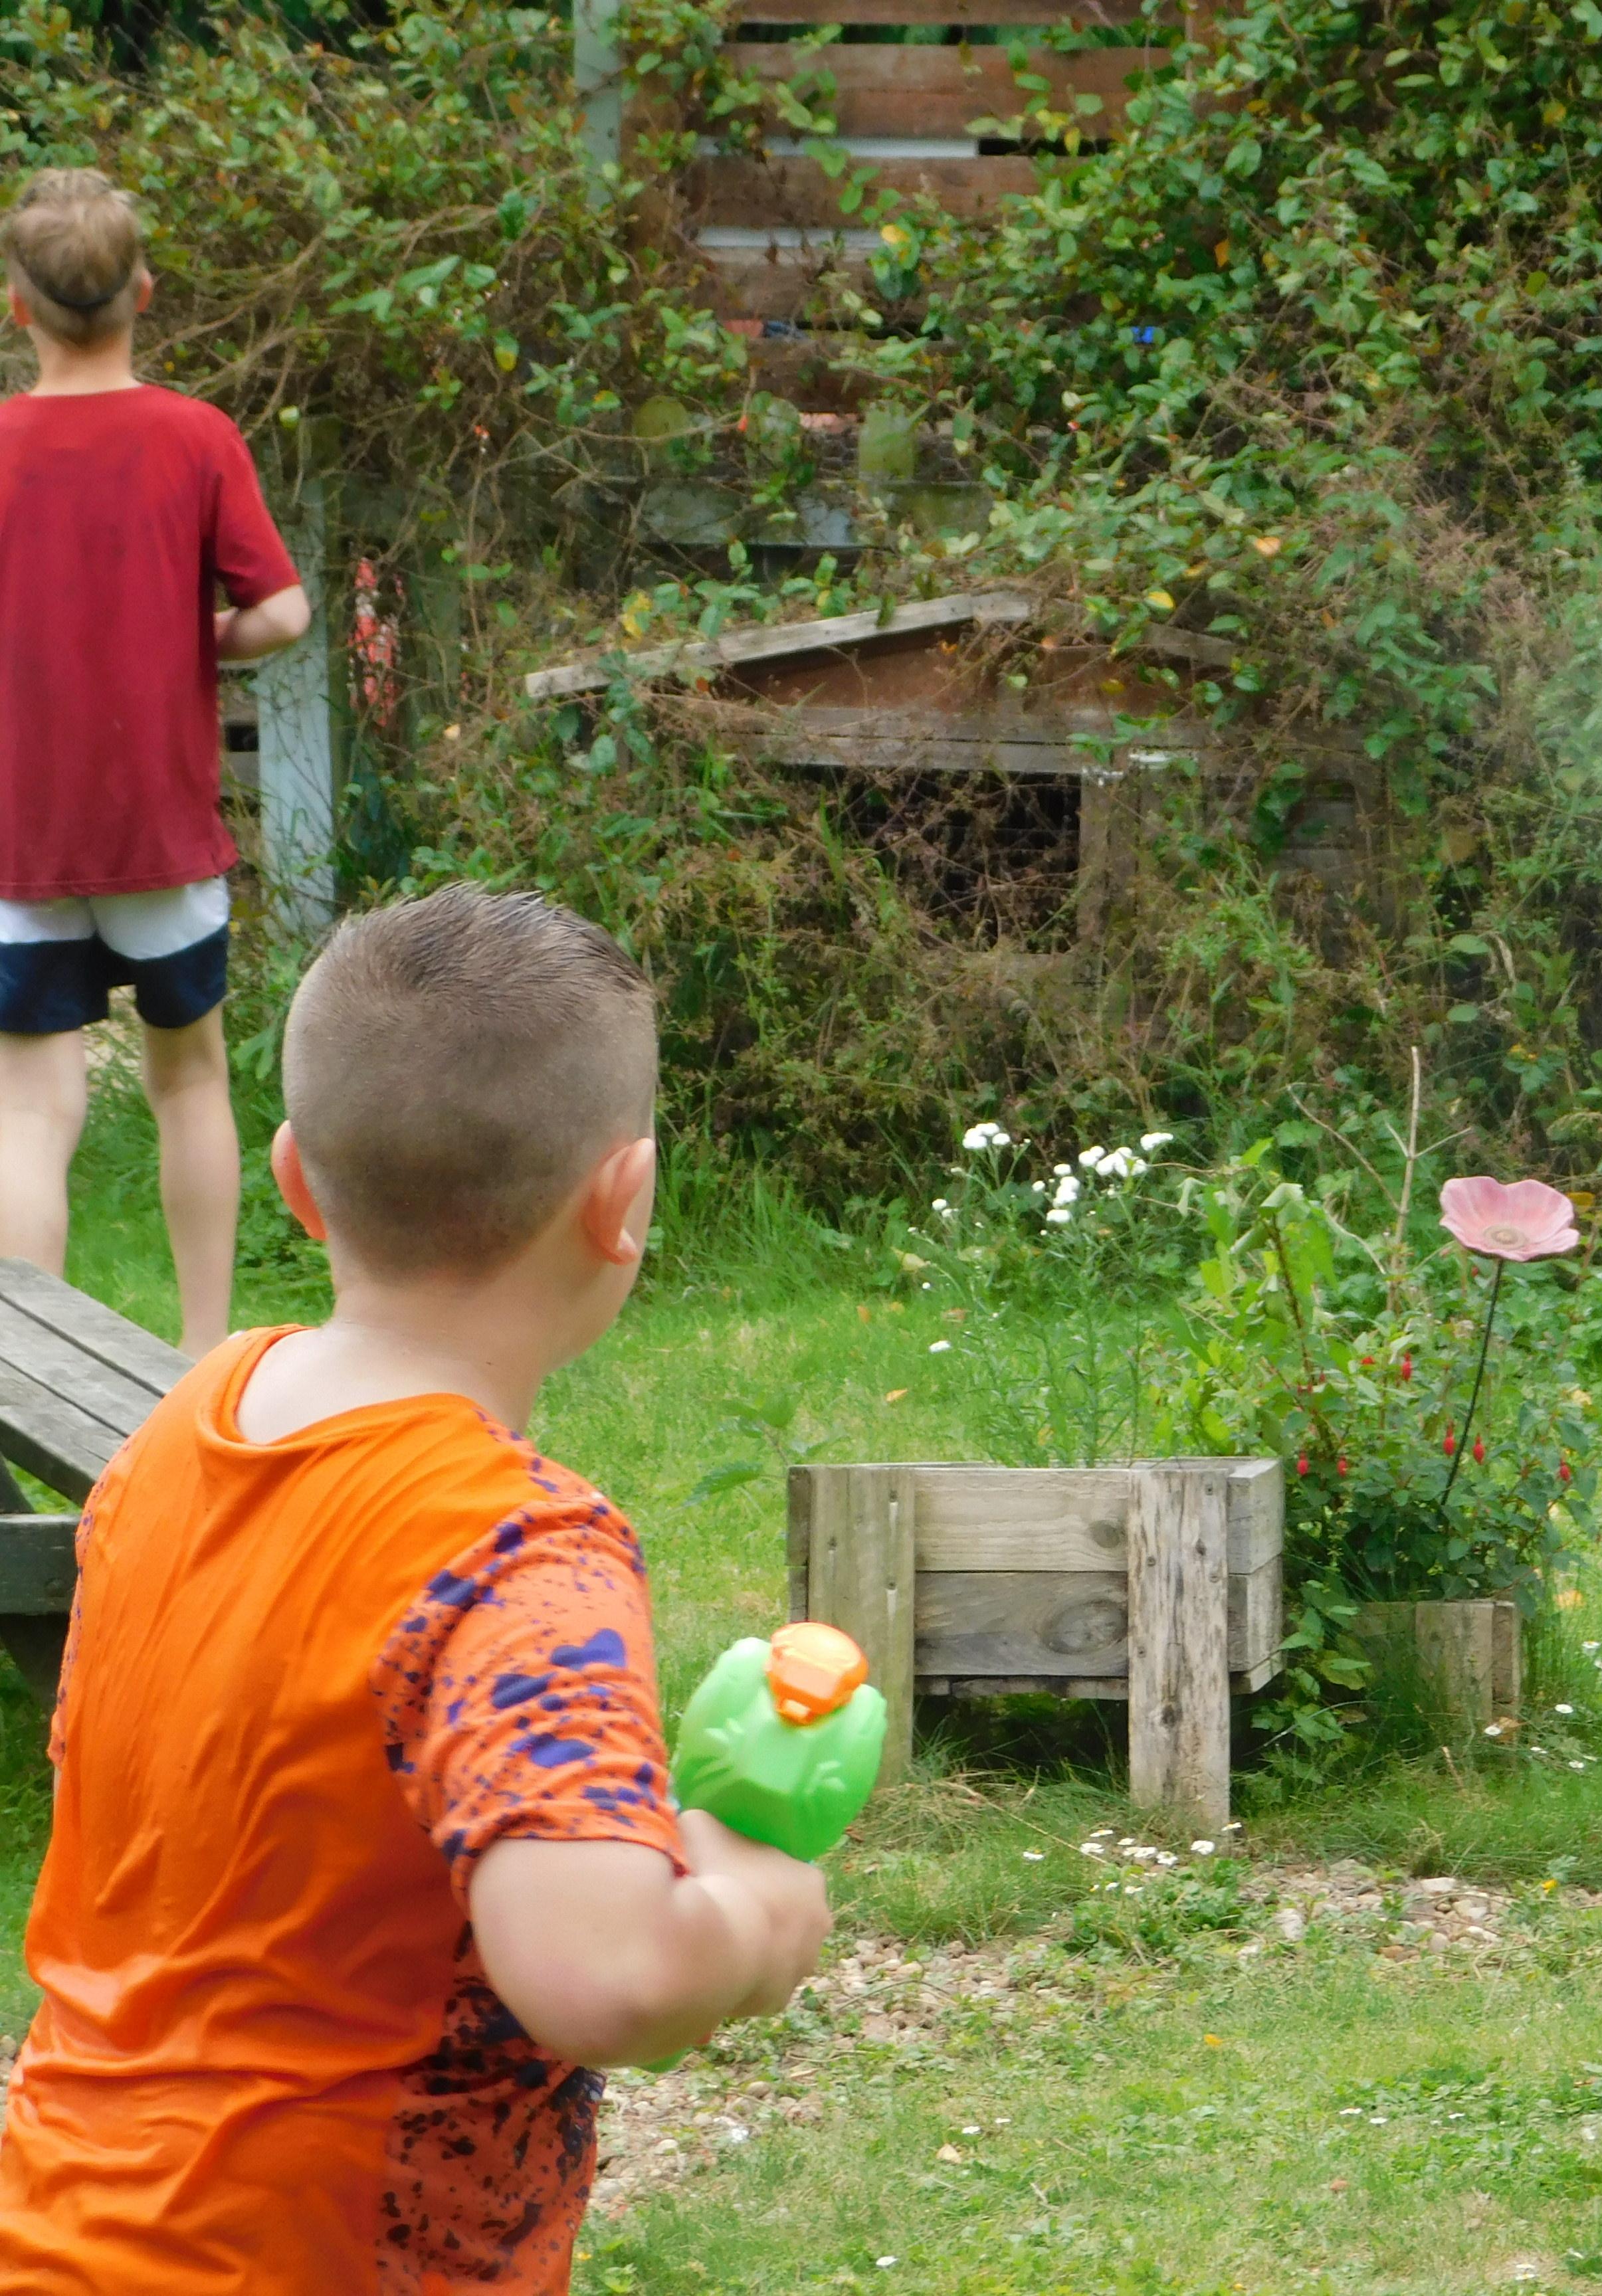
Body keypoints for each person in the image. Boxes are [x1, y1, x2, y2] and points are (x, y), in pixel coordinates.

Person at [0, 886, 833, 2292]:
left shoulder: (186, 1426)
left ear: (293, 1179)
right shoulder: (519, 1553)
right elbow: (607, 1973)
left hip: (56, 2229)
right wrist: (754, 1904)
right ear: (623, 1202)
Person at [0, 167, 313, 1357]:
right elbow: (282, 612)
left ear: (17, 306)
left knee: (31, 1109)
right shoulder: (196, 436)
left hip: (20, 838)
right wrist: (193, 637)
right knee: (189, 1082)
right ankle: (199, 1358)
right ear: (143, 291)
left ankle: (28, 1379)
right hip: (164, 835)